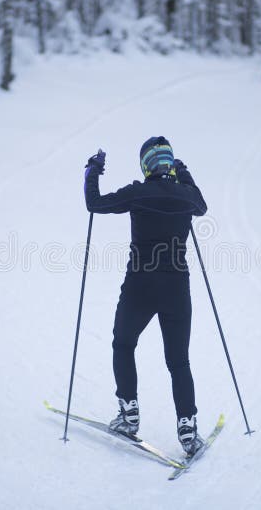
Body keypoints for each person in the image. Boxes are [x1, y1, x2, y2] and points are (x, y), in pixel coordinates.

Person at [83, 137, 208, 456]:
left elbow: (94, 205)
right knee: (179, 361)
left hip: (139, 285)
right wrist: (184, 174)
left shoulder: (138, 192)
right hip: (176, 288)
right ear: (169, 163)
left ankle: (128, 415)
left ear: (145, 165)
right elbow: (202, 207)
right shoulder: (185, 196)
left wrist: (92, 172)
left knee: (123, 344)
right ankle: (188, 431)